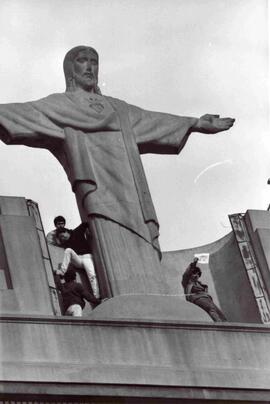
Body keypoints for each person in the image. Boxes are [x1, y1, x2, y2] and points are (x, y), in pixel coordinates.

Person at [0, 45, 235, 297]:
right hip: (97, 189)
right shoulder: (58, 106)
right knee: (110, 236)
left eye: (94, 61)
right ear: (70, 68)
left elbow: (152, 120)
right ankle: (124, 298)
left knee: (142, 237)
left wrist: (195, 123)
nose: (90, 66)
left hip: (133, 192)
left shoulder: (119, 109)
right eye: (82, 61)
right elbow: (23, 113)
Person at [55, 223, 100, 299]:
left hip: (87, 257)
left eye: (62, 236)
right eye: (60, 238)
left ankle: (97, 296)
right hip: (78, 259)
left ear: (66, 232)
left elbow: (85, 223)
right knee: (68, 250)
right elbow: (58, 243)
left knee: (92, 275)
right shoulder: (66, 243)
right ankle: (62, 271)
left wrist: (88, 230)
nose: (62, 239)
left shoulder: (77, 231)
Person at [182, 257, 227, 322]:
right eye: (194, 273)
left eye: (198, 274)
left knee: (220, 314)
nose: (196, 275)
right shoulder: (187, 282)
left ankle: (226, 326)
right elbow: (186, 273)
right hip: (198, 298)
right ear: (191, 274)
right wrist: (194, 263)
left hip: (207, 298)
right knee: (210, 308)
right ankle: (220, 325)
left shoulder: (200, 284)